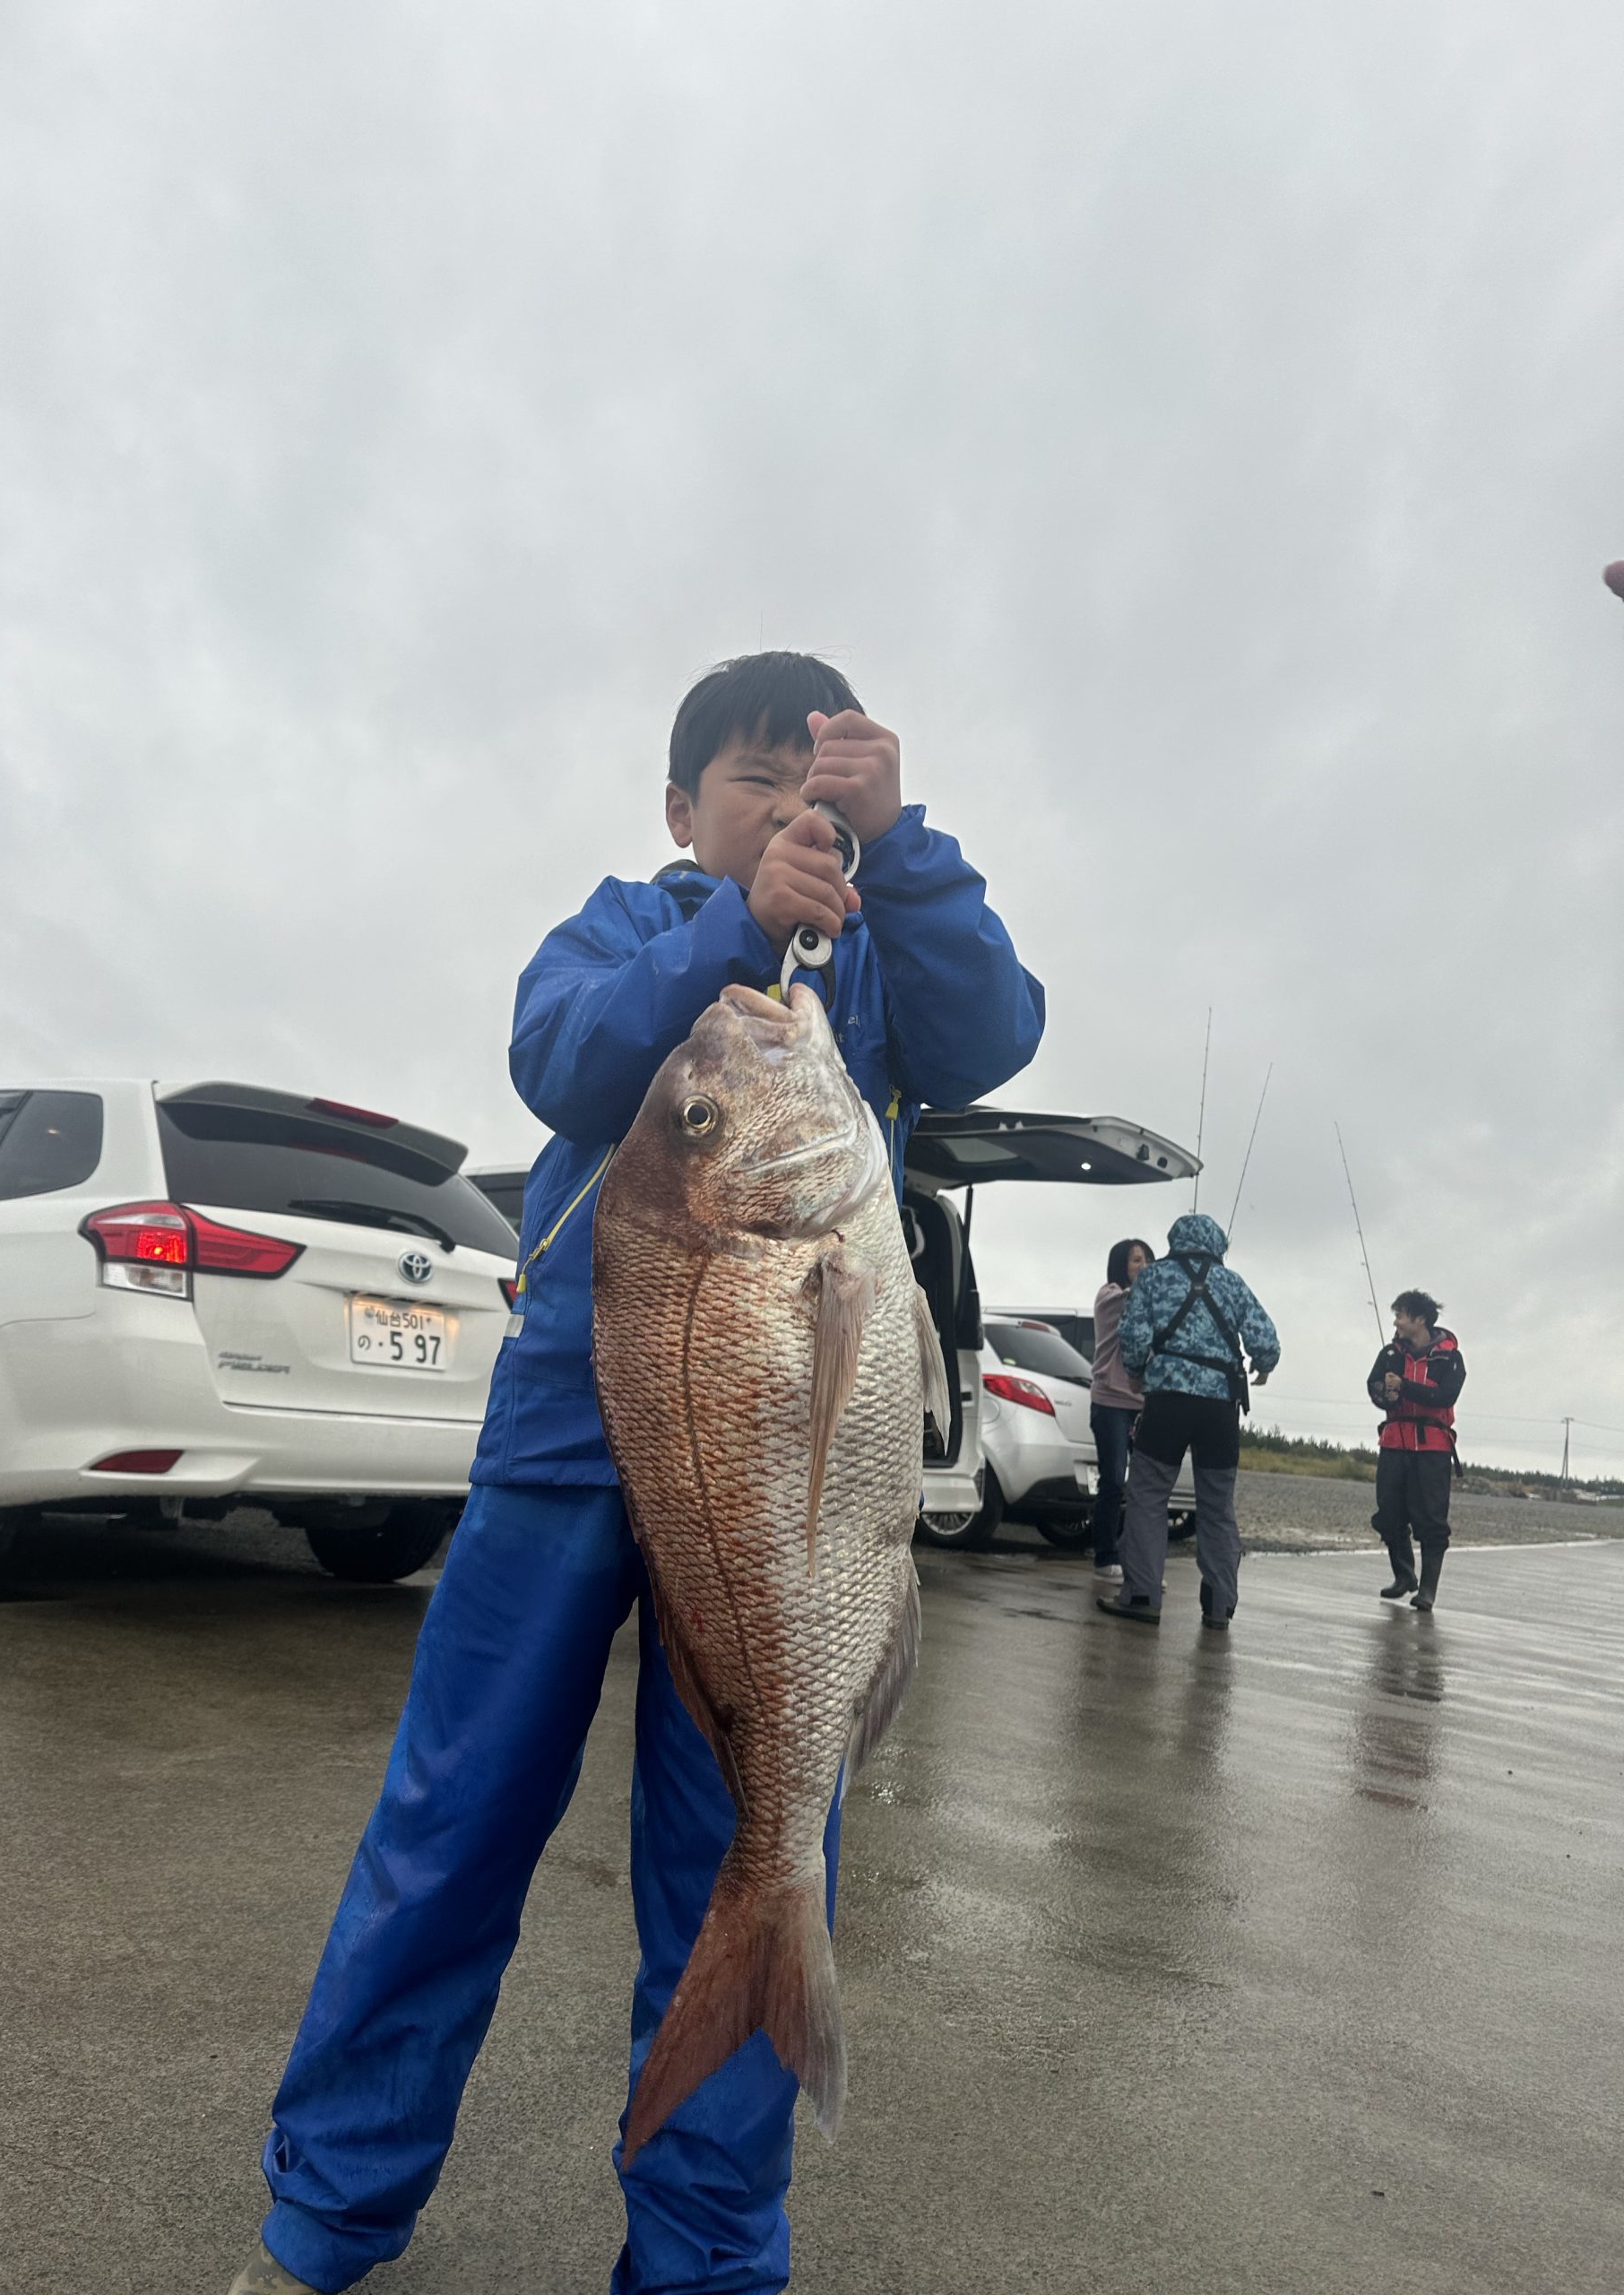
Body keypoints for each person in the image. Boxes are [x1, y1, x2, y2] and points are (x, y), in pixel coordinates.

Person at [227, 652, 1046, 2295]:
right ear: (683, 809)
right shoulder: (631, 930)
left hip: (785, 1486)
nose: (792, 806)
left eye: (821, 781)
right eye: (756, 778)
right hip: (565, 1442)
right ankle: (327, 2220)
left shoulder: (872, 962)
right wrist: (732, 926)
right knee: (455, 1817)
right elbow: (564, 1056)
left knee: (741, 1847)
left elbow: (995, 1034)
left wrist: (918, 845)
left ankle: (707, 2263)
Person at [1096, 1211, 1278, 1632]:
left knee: (1147, 1495)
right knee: (1217, 1506)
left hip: (1168, 1401)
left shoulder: (1154, 1278)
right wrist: (1263, 1366)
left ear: (1176, 1240)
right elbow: (1265, 1340)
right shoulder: (1233, 1283)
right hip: (1220, 1409)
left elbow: (1134, 1336)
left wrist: (1139, 1371)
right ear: (1218, 1244)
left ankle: (1142, 1595)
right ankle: (1219, 1605)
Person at [1368, 1290, 1465, 1611]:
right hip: (1394, 1442)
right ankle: (1404, 1575)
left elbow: (1445, 1397)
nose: (1395, 1321)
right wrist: (1385, 1395)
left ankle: (1427, 1591)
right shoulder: (1389, 1353)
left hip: (1433, 1448)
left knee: (1431, 1519)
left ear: (1419, 1319)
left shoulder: (1450, 1358)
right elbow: (1373, 1386)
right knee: (1388, 1513)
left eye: (1400, 1315)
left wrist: (1405, 1386)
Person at [1088, 1238, 1154, 1583]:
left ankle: (1139, 1562)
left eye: (1146, 1260)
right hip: (1110, 1402)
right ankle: (1104, 1555)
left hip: (1142, 1404)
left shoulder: (1153, 1303)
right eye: (1136, 1261)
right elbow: (1134, 1297)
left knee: (1144, 1487)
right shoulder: (1109, 1296)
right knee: (1113, 1481)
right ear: (1120, 1265)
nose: (1142, 1267)